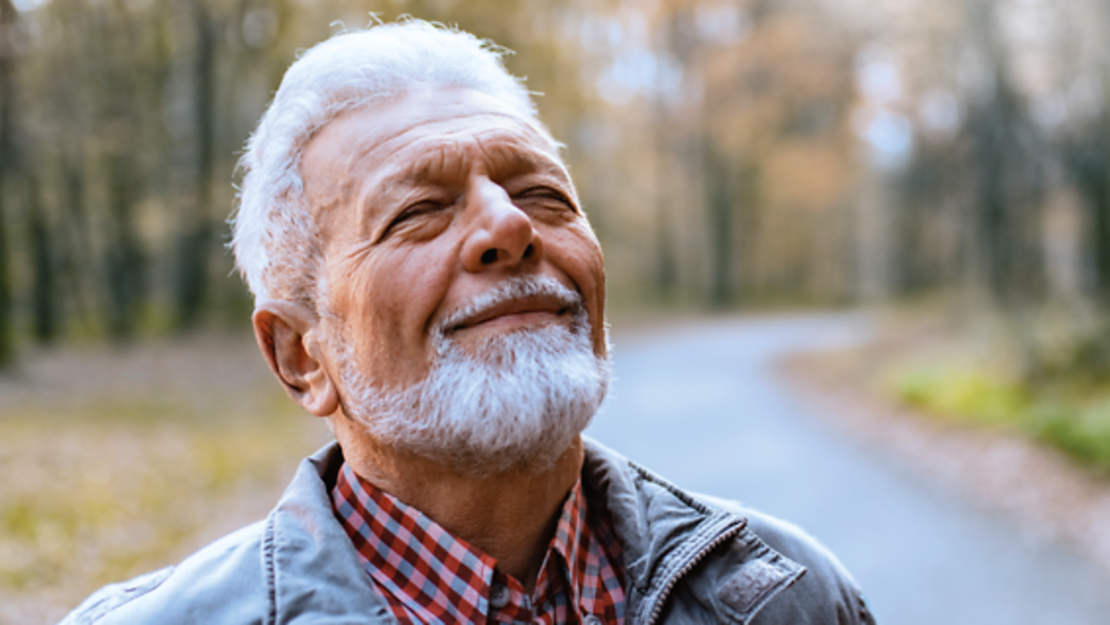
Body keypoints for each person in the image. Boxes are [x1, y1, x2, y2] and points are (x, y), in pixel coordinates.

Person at [61, 20, 875, 625]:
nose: (509, 227)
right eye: (418, 211)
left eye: (544, 195)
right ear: (301, 355)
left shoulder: (786, 593)